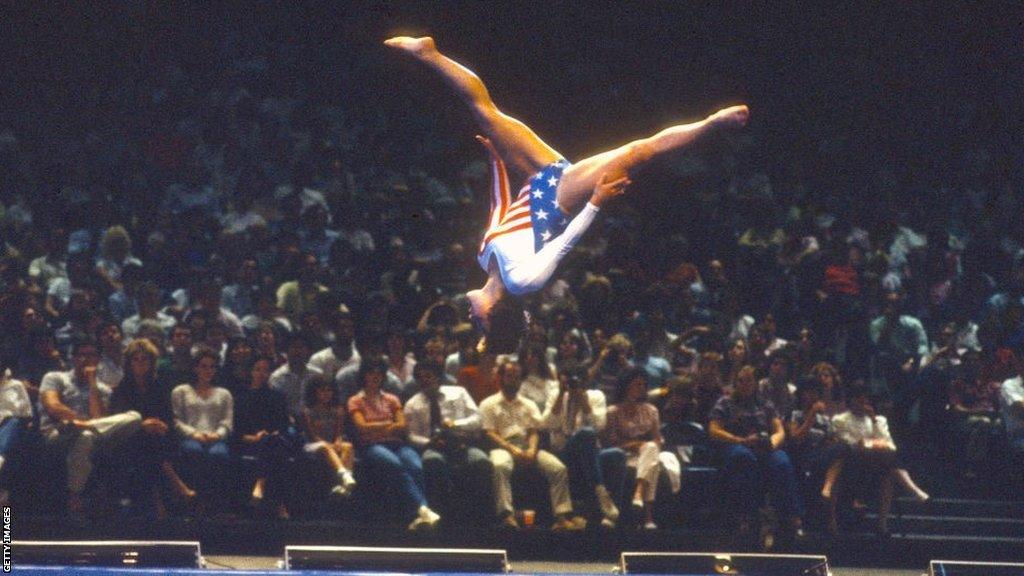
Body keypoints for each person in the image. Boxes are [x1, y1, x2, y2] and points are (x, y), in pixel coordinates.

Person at [385, 36, 748, 352]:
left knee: (487, 114)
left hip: (538, 178)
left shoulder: (484, 260)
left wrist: (495, 160)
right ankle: (712, 123)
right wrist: (595, 202)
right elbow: (564, 245)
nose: (470, 317)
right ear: (495, 316)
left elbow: (500, 208)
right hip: (560, 193)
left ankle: (427, 54)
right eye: (479, 325)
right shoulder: (523, 281)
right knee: (639, 152)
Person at [478, 356, 584, 530]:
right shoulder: (488, 404)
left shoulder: (529, 404)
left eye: (517, 377)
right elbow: (489, 433)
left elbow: (534, 431)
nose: (514, 380)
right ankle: (507, 515)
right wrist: (512, 449)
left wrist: (532, 449)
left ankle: (561, 516)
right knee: (499, 465)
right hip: (502, 445)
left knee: (558, 468)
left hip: (527, 445)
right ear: (501, 378)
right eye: (510, 376)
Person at [39, 337, 142, 515]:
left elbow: (99, 417)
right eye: (82, 355)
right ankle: (75, 495)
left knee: (135, 417)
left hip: (88, 435)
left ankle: (74, 496)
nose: (86, 359)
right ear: (73, 358)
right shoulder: (55, 377)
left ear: (98, 360)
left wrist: (93, 384)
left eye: (92, 355)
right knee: (85, 433)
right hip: (58, 433)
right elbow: (53, 407)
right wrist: (77, 421)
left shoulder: (102, 389)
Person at [708, 365, 803, 544]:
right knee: (744, 458)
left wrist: (771, 444)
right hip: (737, 445)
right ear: (735, 383)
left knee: (782, 461)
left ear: (755, 384)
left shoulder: (765, 404)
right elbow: (713, 430)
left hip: (763, 447)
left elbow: (779, 430)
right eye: (741, 380)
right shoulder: (725, 402)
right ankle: (748, 515)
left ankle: (792, 519)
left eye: (749, 380)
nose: (745, 384)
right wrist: (740, 440)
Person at [347, 356, 441, 530]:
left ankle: (419, 516)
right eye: (371, 373)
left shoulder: (392, 399)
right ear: (364, 375)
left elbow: (402, 425)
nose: (376, 376)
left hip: (397, 444)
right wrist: (386, 425)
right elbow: (362, 427)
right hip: (371, 446)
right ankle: (423, 509)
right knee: (394, 464)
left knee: (415, 465)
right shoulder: (355, 400)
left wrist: (377, 426)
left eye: (379, 373)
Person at [110, 338, 194, 518]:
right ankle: (176, 487)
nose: (140, 364)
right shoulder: (121, 390)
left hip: (156, 438)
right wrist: (142, 426)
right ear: (129, 363)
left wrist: (161, 425)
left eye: (145, 360)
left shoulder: (159, 387)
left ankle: (158, 500)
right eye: (136, 360)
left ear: (151, 363)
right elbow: (118, 423)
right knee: (149, 445)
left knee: (155, 444)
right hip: (128, 439)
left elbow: (168, 419)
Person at [403, 359, 491, 523]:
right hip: (434, 445)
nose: (425, 381)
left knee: (482, 461)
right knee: (431, 460)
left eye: (428, 376)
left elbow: (478, 419)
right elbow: (412, 436)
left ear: (437, 377)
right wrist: (429, 442)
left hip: (463, 443)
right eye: (420, 378)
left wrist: (455, 424)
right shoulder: (412, 404)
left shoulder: (459, 392)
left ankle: (479, 515)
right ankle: (443, 514)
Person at [544, 365, 620, 528]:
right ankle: (599, 491)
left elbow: (599, 426)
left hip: (591, 454)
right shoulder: (555, 395)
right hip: (564, 453)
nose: (573, 385)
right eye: (568, 380)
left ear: (586, 381)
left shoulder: (596, 396)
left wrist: (584, 403)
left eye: (577, 380)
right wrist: (560, 396)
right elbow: (546, 424)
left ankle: (608, 512)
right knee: (586, 433)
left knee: (618, 455)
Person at [828, 386, 898, 536]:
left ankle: (882, 524)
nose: (862, 402)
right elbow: (847, 443)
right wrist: (868, 443)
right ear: (851, 401)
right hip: (850, 463)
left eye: (864, 399)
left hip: (875, 462)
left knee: (889, 468)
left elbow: (888, 442)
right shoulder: (840, 420)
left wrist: (873, 420)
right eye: (858, 399)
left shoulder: (878, 420)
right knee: (886, 464)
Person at [171, 347, 234, 510]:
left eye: (212, 366)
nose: (208, 370)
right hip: (190, 437)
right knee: (193, 452)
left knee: (218, 454)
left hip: (215, 437)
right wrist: (193, 433)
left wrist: (217, 435)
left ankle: (215, 503)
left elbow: (227, 422)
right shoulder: (181, 391)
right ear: (196, 368)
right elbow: (175, 420)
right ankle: (192, 500)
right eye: (204, 366)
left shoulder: (224, 393)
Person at [603, 369, 666, 529]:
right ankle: (647, 517)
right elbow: (610, 444)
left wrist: (644, 447)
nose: (641, 388)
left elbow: (657, 440)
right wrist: (636, 445)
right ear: (626, 385)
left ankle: (638, 493)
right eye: (637, 384)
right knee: (652, 464)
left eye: (644, 385)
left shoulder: (651, 410)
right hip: (622, 455)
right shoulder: (613, 411)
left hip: (646, 454)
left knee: (651, 450)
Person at [234, 354, 295, 519]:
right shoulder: (241, 398)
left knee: (274, 443)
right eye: (258, 370)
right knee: (275, 450)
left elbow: (283, 426)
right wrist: (254, 437)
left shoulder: (278, 397)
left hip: (273, 441)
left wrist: (269, 435)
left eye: (266, 370)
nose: (262, 374)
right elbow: (237, 431)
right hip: (249, 441)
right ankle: (280, 504)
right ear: (251, 372)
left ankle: (260, 483)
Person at [301, 378, 357, 497]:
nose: (326, 394)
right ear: (315, 392)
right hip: (313, 445)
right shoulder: (308, 411)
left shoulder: (338, 410)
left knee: (348, 446)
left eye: (329, 391)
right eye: (322, 391)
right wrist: (330, 445)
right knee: (326, 447)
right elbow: (313, 436)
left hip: (332, 443)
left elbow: (339, 433)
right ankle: (344, 476)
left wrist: (337, 441)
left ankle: (343, 486)